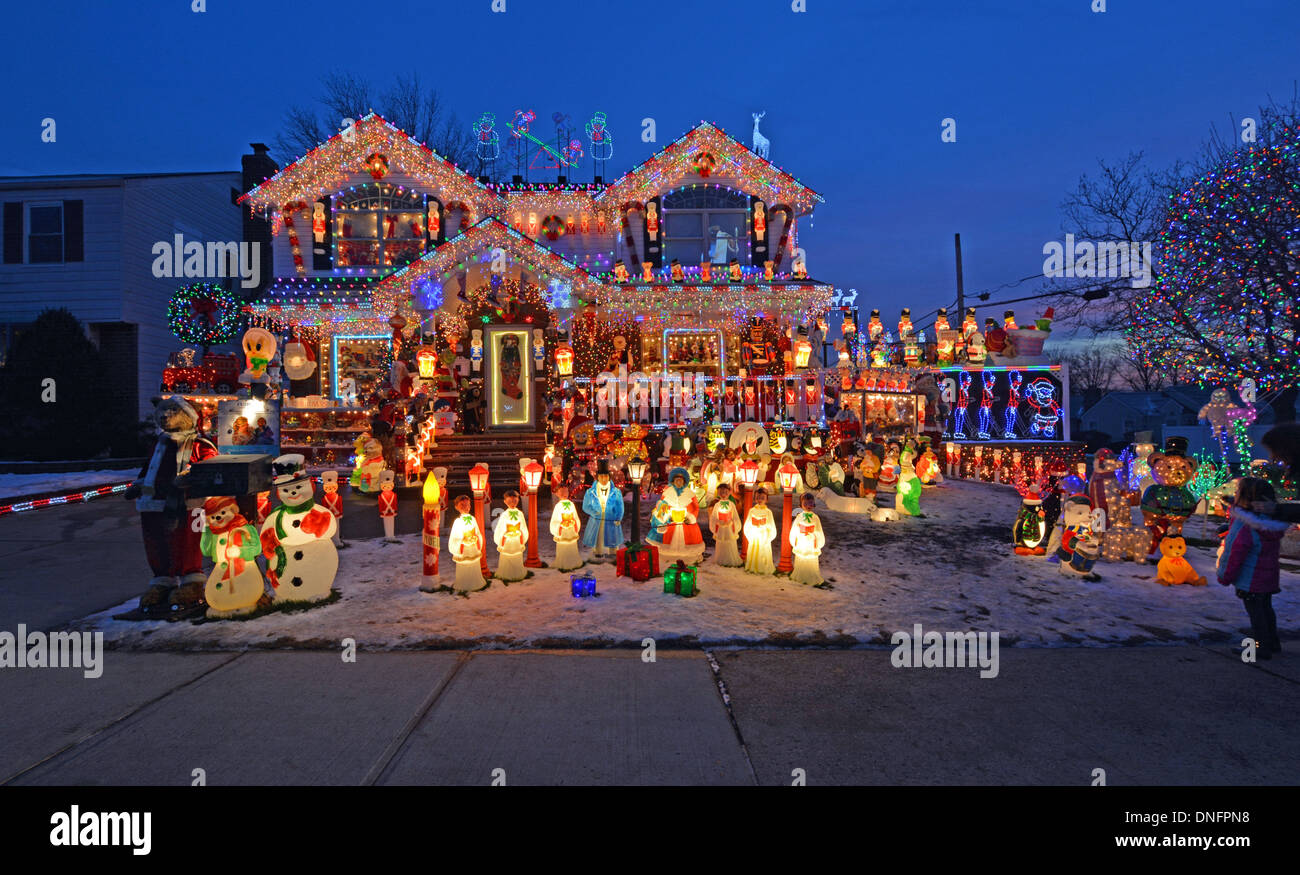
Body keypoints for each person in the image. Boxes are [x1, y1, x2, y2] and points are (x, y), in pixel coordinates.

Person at [1217, 478, 1288, 658]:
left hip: (1250, 579)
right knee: (1266, 609)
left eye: (1237, 493)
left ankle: (1259, 647)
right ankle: (1272, 642)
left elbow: (1234, 552)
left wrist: (1225, 575)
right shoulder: (1269, 524)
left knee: (1256, 615)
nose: (1235, 495)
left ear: (1247, 499)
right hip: (1268, 578)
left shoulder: (1245, 526)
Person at [789, 492, 826, 585]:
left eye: (810, 503)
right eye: (805, 504)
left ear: (813, 504)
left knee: (810, 558)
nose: (808, 506)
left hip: (811, 541)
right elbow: (795, 528)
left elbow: (818, 529)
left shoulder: (815, 518)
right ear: (801, 505)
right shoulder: (799, 517)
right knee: (801, 557)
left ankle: (811, 575)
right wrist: (794, 539)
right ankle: (800, 574)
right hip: (802, 540)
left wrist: (816, 536)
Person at [493, 489, 529, 581]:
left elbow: (523, 527)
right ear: (505, 502)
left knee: (517, 556)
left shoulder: (520, 514)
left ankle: (518, 572)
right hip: (507, 541)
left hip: (517, 539)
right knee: (507, 557)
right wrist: (503, 535)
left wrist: (522, 535)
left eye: (515, 500)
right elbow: (500, 528)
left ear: (518, 500)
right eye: (510, 501)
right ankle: (506, 573)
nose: (512, 502)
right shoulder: (504, 515)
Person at [742, 487, 777, 575]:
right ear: (754, 498)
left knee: (763, 551)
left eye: (762, 498)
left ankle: (763, 567)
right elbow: (747, 524)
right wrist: (749, 534)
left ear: (766, 499)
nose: (760, 500)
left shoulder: (768, 512)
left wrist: (768, 536)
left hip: (763, 535)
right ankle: (752, 566)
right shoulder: (752, 511)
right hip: (754, 534)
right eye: (757, 497)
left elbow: (771, 525)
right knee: (754, 550)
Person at [549, 483, 584, 572]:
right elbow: (555, 519)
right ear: (557, 493)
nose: (564, 493)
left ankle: (573, 561)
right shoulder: (558, 506)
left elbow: (575, 517)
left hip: (571, 530)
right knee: (563, 546)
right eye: (561, 492)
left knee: (571, 545)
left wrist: (575, 523)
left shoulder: (571, 504)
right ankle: (563, 562)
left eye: (566, 491)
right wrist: (560, 525)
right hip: (563, 530)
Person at [709, 483, 742, 567]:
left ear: (729, 493)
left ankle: (730, 558)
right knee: (721, 542)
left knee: (729, 541)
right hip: (720, 527)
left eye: (725, 492)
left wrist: (731, 522)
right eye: (721, 492)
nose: (723, 494)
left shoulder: (731, 504)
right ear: (718, 493)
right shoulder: (717, 505)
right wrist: (717, 522)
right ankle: (720, 558)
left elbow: (735, 516)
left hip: (729, 527)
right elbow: (713, 517)